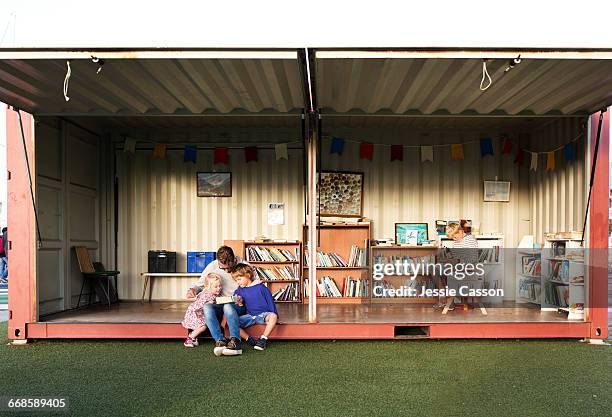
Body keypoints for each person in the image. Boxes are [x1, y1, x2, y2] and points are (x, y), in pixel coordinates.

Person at [186, 246, 252, 356]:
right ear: (218, 262)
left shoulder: (244, 265)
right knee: (207, 306)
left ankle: (236, 341)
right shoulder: (212, 265)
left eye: (229, 268)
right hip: (220, 303)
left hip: (237, 304)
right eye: (223, 268)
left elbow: (254, 283)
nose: (227, 271)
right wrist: (193, 290)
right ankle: (220, 340)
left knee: (228, 306)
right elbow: (201, 284)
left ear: (234, 260)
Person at [231, 263, 278, 352]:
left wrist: (274, 314)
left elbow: (270, 301)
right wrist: (239, 303)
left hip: (263, 315)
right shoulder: (239, 291)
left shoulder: (261, 287)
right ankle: (249, 339)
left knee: (273, 316)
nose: (238, 282)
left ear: (247, 276)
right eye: (236, 280)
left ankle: (263, 339)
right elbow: (238, 304)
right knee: (232, 323)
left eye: (239, 279)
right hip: (249, 316)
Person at [442, 222, 480, 312]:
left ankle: (448, 298)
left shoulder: (470, 240)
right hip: (460, 267)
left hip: (468, 268)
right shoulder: (456, 242)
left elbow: (472, 259)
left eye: (455, 237)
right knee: (437, 270)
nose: (454, 239)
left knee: (444, 273)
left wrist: (457, 262)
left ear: (460, 231)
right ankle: (447, 297)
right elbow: (456, 257)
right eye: (452, 238)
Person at [181, 273, 223, 348]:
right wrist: (208, 303)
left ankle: (193, 339)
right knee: (202, 326)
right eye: (216, 287)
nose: (219, 288)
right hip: (196, 313)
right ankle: (190, 338)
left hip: (200, 313)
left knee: (203, 325)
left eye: (220, 286)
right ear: (208, 287)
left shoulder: (214, 294)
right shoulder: (206, 295)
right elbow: (198, 306)